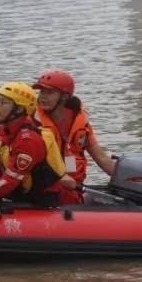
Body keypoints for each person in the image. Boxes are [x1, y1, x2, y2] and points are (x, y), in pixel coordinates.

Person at [33, 69, 116, 204]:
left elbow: (100, 157)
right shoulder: (33, 122)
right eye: (42, 92)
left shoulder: (80, 121)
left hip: (75, 187)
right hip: (47, 191)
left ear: (65, 97)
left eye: (50, 92)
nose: (43, 97)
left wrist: (123, 178)